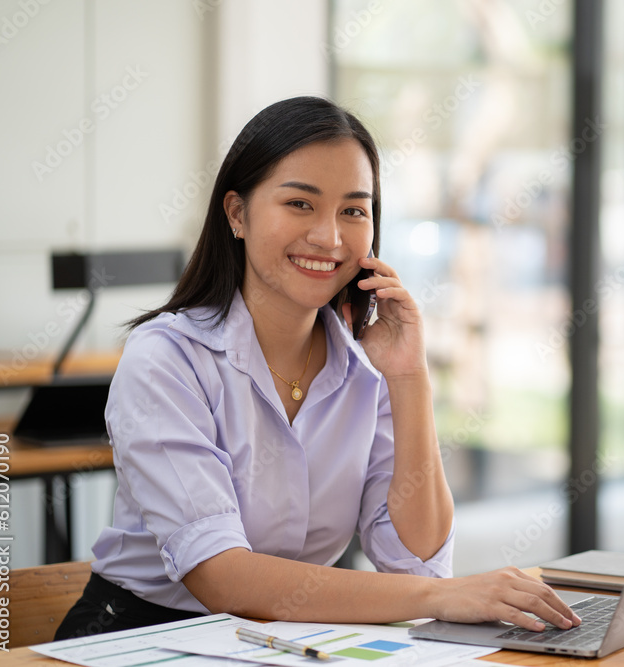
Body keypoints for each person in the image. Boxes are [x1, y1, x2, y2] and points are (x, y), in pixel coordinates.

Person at [55, 96, 580, 640]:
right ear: (237, 213)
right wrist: (439, 596)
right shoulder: (167, 358)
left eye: (354, 210)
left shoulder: (364, 368)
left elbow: (417, 560)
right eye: (301, 204)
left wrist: (408, 376)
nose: (329, 237)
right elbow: (222, 577)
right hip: (143, 637)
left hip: (290, 636)